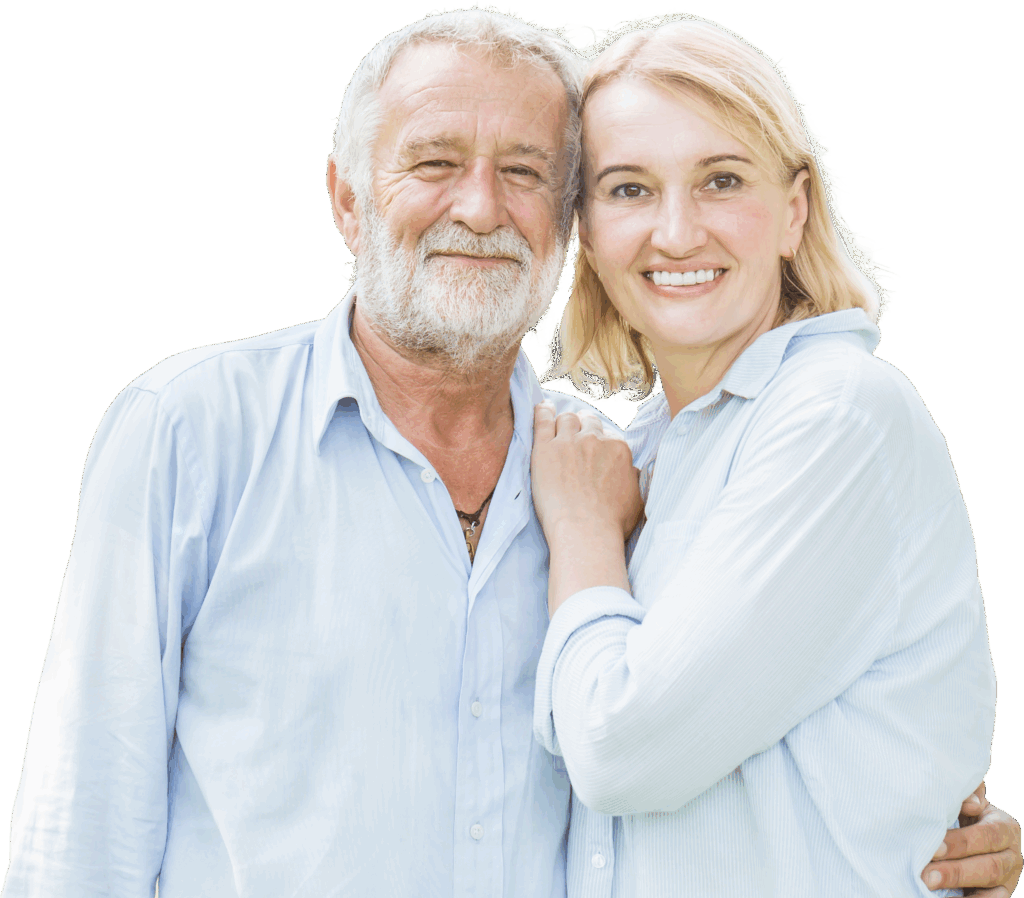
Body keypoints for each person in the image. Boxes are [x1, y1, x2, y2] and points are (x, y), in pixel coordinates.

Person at [1, 8, 1018, 898]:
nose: (480, 208)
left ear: (559, 225)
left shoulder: (603, 478)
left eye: (525, 173)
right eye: (434, 162)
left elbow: (701, 726)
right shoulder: (191, 430)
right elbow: (80, 819)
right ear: (347, 197)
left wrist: (919, 812)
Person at [529, 12, 1020, 898]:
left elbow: (619, 751)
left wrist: (583, 535)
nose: (677, 233)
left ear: (794, 210)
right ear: (586, 235)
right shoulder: (638, 452)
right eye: (629, 189)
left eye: (721, 180)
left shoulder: (838, 417)